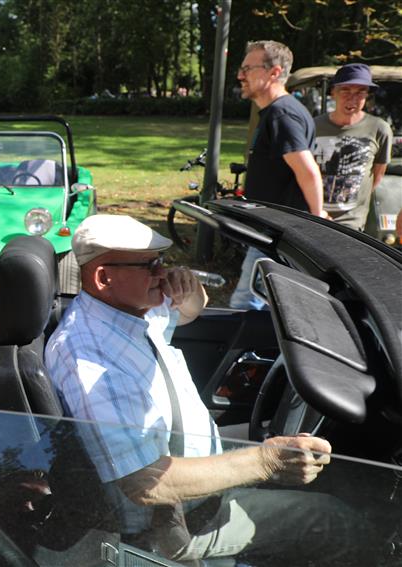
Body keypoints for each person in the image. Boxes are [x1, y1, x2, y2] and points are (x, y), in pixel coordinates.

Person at [45, 214, 373, 564]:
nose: (162, 273)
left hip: (193, 472)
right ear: (103, 277)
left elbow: (191, 310)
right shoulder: (89, 357)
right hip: (173, 522)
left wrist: (187, 288)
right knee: (333, 519)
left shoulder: (127, 311)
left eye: (162, 261)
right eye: (150, 265)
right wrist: (266, 461)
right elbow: (146, 484)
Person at [229, 40, 325, 310]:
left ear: (274, 72)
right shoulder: (277, 112)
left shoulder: (282, 114)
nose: (240, 76)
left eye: (248, 69)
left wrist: (317, 219)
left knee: (246, 305)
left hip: (279, 235)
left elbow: (308, 171)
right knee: (273, 309)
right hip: (273, 232)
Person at [313, 63, 392, 231]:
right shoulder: (313, 126)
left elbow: (377, 174)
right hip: (312, 216)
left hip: (351, 224)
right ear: (333, 92)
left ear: (367, 95)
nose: (352, 98)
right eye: (345, 90)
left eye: (360, 92)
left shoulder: (380, 129)